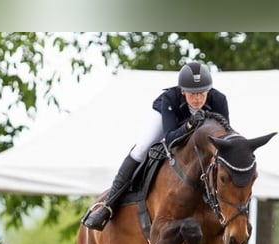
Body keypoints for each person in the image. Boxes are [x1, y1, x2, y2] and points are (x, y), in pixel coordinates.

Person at [82, 61, 230, 230]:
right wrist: (189, 125)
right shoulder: (171, 98)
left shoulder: (219, 100)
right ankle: (108, 206)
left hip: (199, 138)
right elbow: (170, 138)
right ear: (182, 91)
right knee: (142, 148)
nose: (197, 99)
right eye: (192, 94)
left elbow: (223, 141)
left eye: (202, 93)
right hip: (171, 123)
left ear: (209, 90)